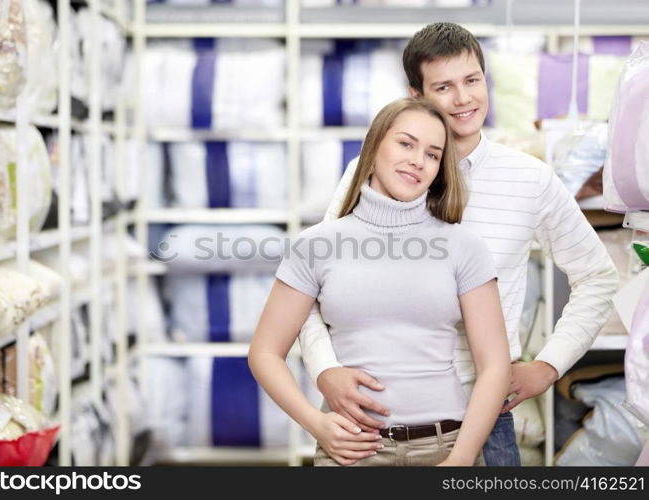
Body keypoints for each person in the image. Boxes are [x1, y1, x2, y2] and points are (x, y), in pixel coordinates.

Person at [298, 22, 620, 466]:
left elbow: (597, 276)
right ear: (416, 96)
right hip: (374, 410)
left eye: (472, 81)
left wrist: (548, 365)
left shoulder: (529, 179)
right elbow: (310, 287)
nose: (463, 99)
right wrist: (325, 370)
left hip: (483, 417)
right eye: (444, 87)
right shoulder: (373, 172)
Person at [249, 97, 510, 466]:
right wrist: (317, 425)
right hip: (352, 452)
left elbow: (495, 366)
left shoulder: (464, 247)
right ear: (374, 148)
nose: (418, 160)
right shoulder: (316, 245)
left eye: (433, 154)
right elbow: (264, 353)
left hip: (446, 447)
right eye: (405, 143)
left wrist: (462, 458)